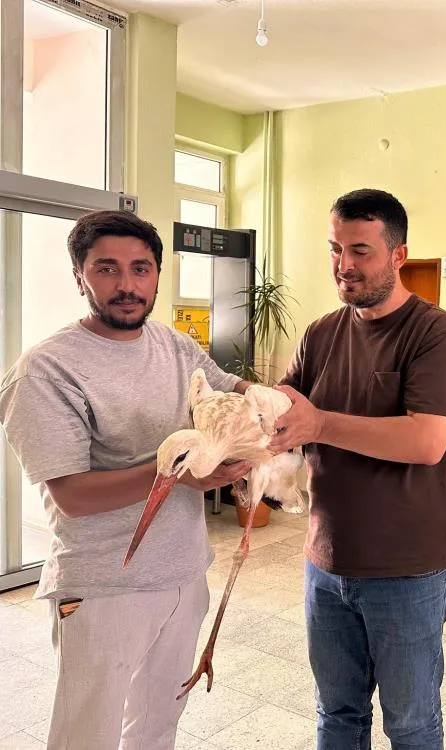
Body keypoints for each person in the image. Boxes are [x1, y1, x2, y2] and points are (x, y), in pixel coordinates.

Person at [0, 210, 252, 750]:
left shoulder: (174, 346)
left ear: (157, 274)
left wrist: (274, 410)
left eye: (141, 268)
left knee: (158, 729)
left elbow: (233, 389)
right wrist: (182, 475)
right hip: (103, 589)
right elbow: (72, 496)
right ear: (79, 276)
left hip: (184, 574)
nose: (127, 285)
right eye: (106, 268)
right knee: (86, 737)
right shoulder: (47, 368)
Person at [267, 188, 446, 750]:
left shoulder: (435, 332)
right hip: (326, 561)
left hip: (408, 568)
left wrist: (319, 424)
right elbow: (286, 409)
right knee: (337, 715)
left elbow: (426, 442)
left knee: (411, 724)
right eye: (336, 249)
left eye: (361, 251)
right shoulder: (321, 333)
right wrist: (249, 425)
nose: (344, 265)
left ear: (398, 255)